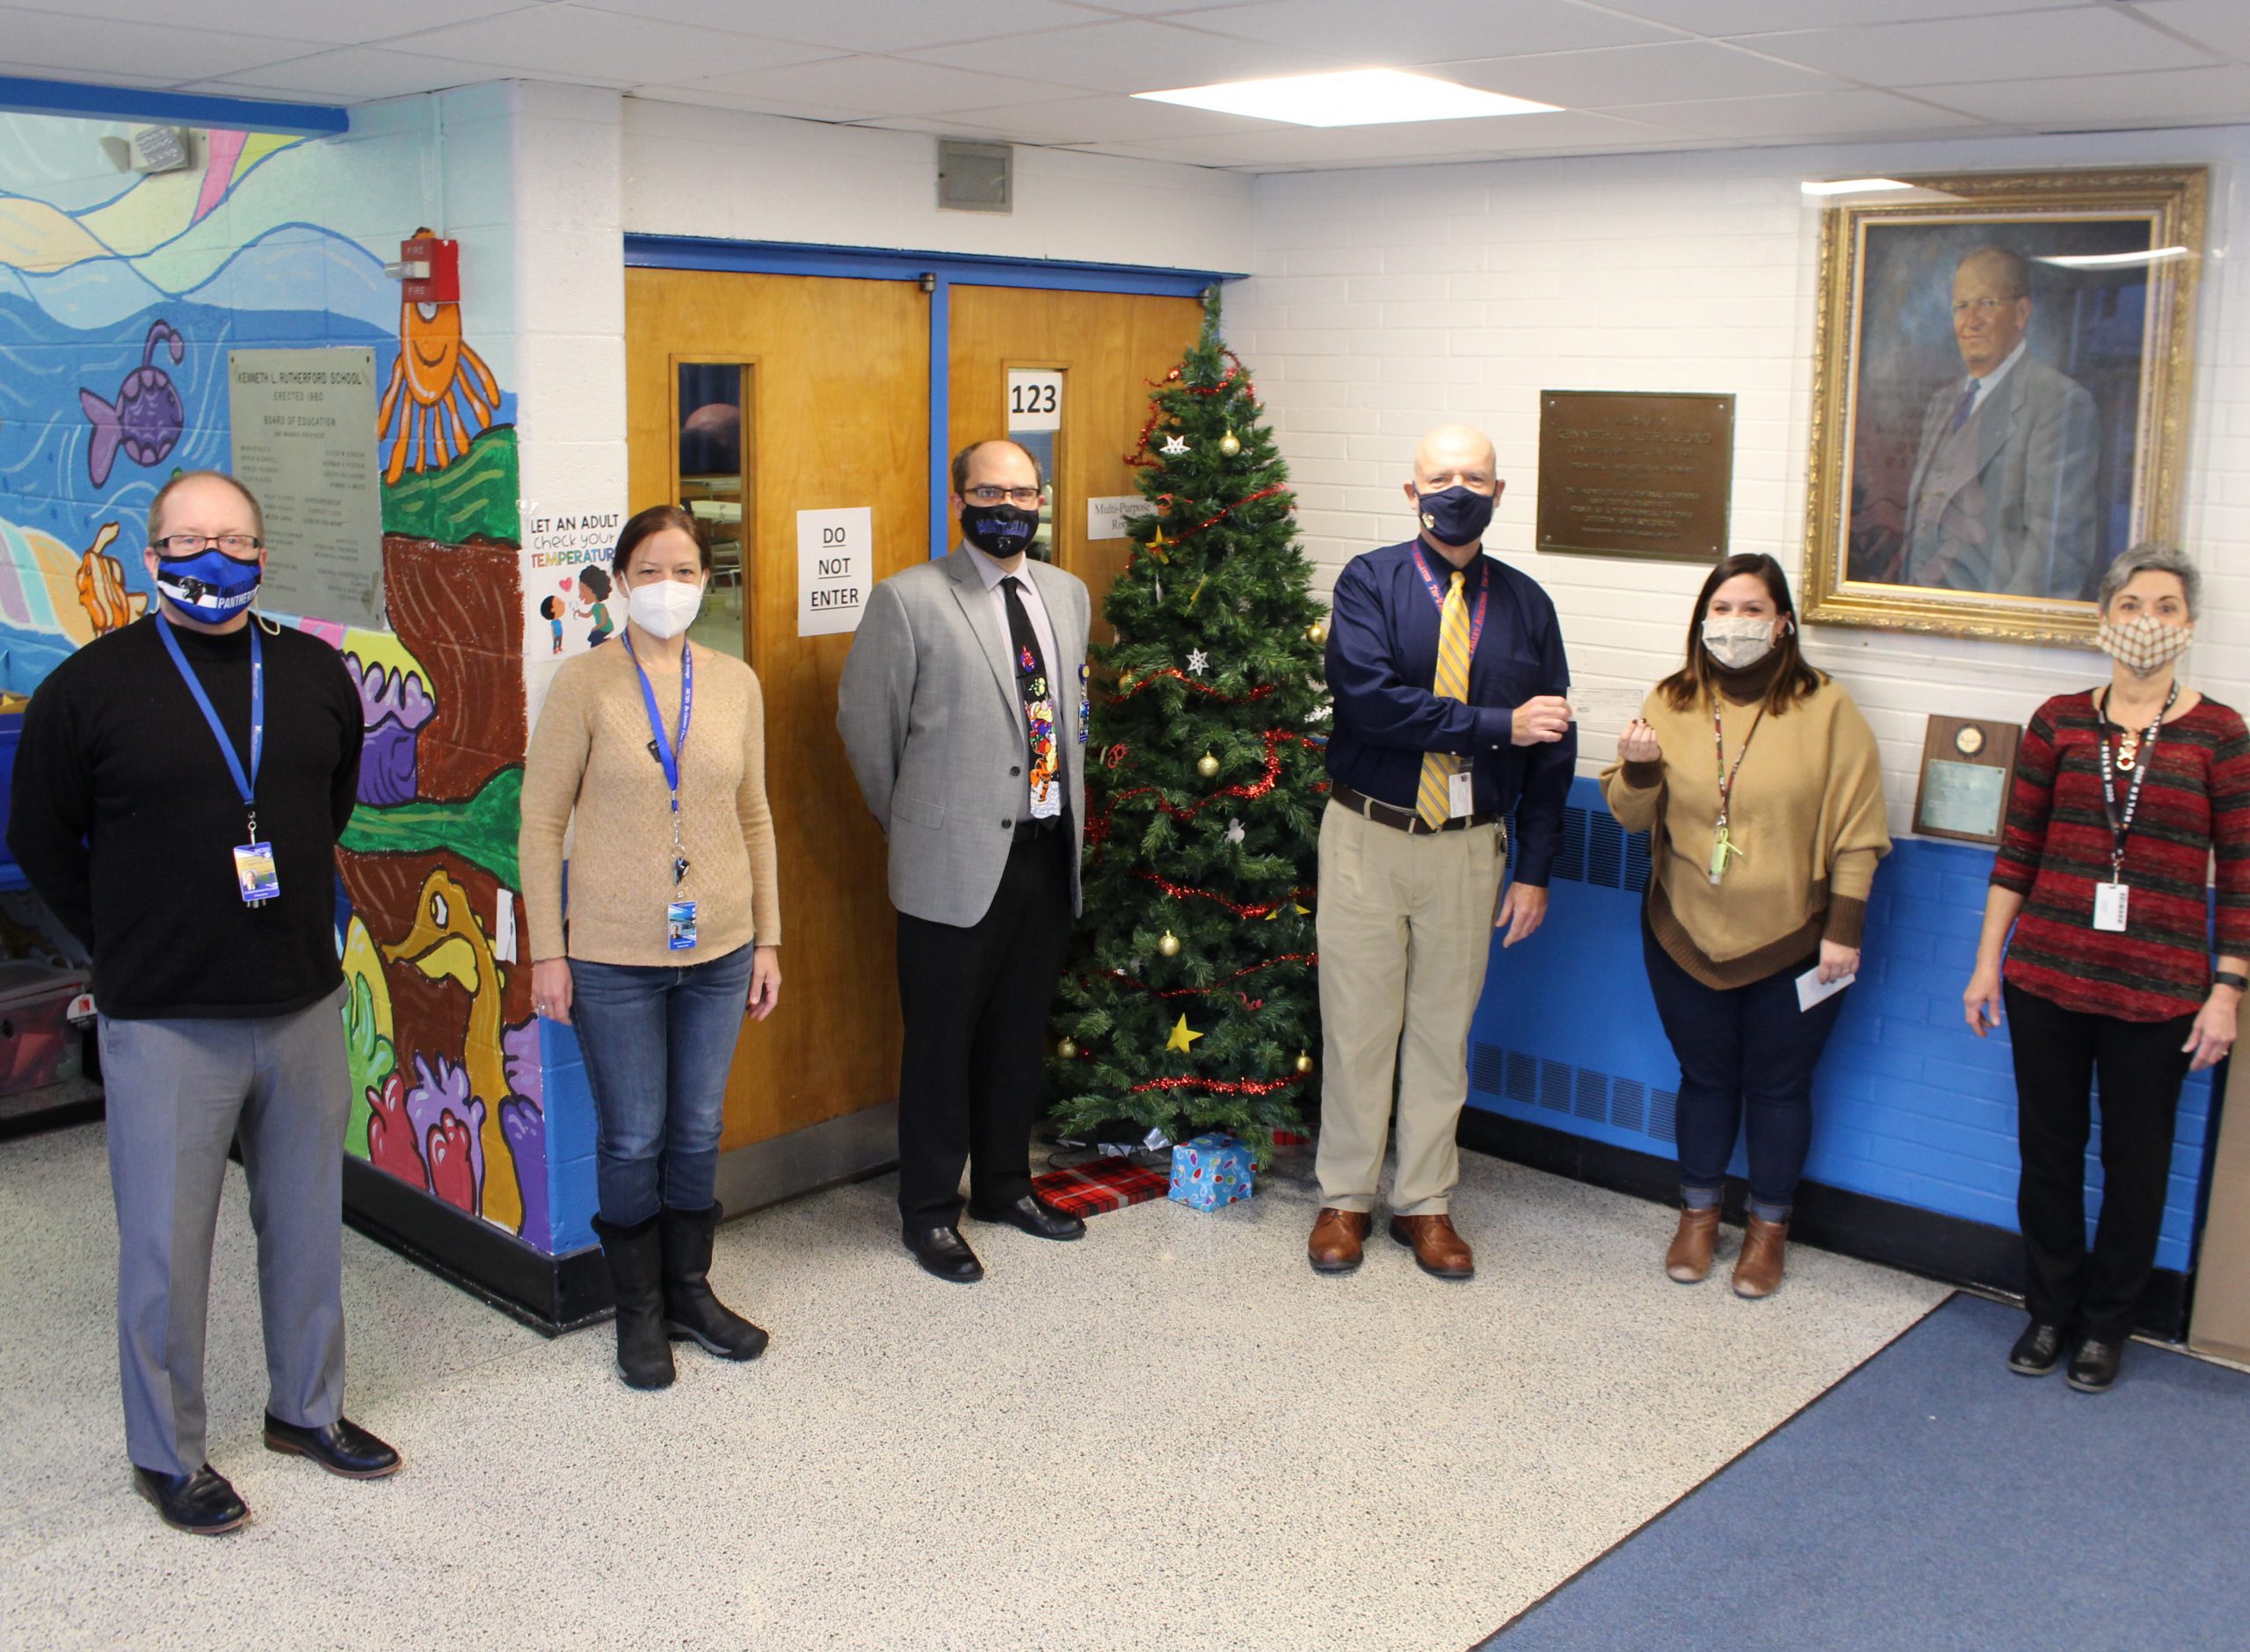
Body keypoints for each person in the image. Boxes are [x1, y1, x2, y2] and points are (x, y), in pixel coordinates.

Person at [6, 470, 398, 1536]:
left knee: (311, 1223)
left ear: (264, 555)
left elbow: (331, 805)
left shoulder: (314, 672)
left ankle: (306, 1410)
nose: (211, 557)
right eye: (189, 539)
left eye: (233, 538)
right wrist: (128, 937)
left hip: (301, 1003)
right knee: (166, 1248)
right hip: (167, 1015)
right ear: (152, 555)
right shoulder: (88, 688)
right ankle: (167, 1453)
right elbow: (41, 839)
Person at [1963, 544, 2246, 1392]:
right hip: (2047, 977)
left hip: (2159, 994)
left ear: (2188, 626)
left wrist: (2227, 991)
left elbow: (2241, 876)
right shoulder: (2058, 721)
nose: (2147, 622)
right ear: (2103, 619)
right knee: (2049, 1152)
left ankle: (2106, 1325)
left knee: (2137, 1161)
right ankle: (2049, 1310)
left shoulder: (2221, 736)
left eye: (2165, 607)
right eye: (2131, 605)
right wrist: (1987, 967)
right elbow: (2017, 856)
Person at [519, 504, 783, 1390]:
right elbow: (540, 819)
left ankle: (690, 1291)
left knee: (699, 1124)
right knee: (634, 1134)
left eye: (685, 569)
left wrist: (767, 940)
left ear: (706, 580)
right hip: (611, 955)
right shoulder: (585, 684)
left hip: (720, 947)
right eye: (650, 569)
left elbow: (754, 815)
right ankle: (638, 1312)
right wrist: (546, 950)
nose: (669, 585)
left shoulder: (736, 682)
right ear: (622, 580)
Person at [1310, 423, 1573, 1281]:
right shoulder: (1369, 584)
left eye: (1474, 476)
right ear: (1409, 490)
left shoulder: (1528, 604)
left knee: (1439, 1033)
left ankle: (1424, 1201)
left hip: (1468, 848)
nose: (1455, 488)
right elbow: (1370, 705)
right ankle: (1344, 1196)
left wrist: (1532, 866)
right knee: (1356, 1025)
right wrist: (1497, 723)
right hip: (1367, 834)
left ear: (1500, 494)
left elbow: (1552, 748)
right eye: (1439, 475)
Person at [837, 438, 1091, 1283]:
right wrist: (914, 821)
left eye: (1023, 492)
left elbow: (1066, 715)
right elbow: (869, 735)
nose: (1010, 506)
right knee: (941, 1045)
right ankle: (929, 1212)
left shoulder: (1067, 593)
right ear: (960, 500)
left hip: (1047, 852)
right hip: (950, 861)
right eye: (991, 491)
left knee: (1019, 1035)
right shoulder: (908, 600)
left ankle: (1006, 1186)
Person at [1601, 554, 1889, 1298]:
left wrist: (1844, 929)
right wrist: (1637, 771)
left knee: (1780, 1087)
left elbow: (1859, 831)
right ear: (1702, 619)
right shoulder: (1671, 701)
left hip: (1797, 940)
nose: (1735, 624)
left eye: (1751, 609)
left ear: (1783, 621)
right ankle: (1698, 1217)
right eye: (1722, 609)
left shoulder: (1828, 709)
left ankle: (1767, 1230)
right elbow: (1631, 817)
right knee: (1704, 1079)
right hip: (1684, 931)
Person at [1893, 244, 2100, 598]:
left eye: (1986, 304)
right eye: (1961, 307)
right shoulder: (1943, 403)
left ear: (2021, 313)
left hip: (1990, 630)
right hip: (1923, 618)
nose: (1971, 321)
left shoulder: (2058, 401)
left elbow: (2057, 549)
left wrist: (2002, 634)